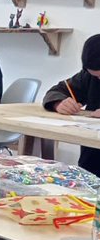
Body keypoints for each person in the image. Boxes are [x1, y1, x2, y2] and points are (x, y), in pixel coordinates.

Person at [43, 33, 100, 176]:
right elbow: (57, 90)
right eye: (96, 76)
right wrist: (58, 103)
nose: (98, 79)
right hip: (92, 162)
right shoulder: (89, 76)